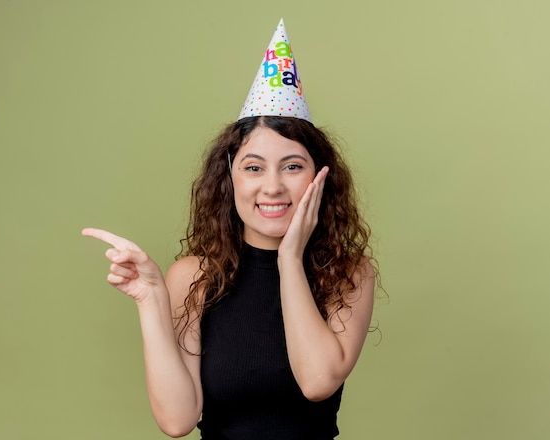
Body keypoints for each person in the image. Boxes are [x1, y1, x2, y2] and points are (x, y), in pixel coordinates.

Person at [82, 19, 376, 440]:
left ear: (319, 179)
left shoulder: (348, 273)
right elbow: (177, 421)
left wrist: (290, 259)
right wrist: (151, 301)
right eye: (253, 168)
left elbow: (317, 382)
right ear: (231, 180)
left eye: (292, 166)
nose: (272, 186)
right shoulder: (193, 278)